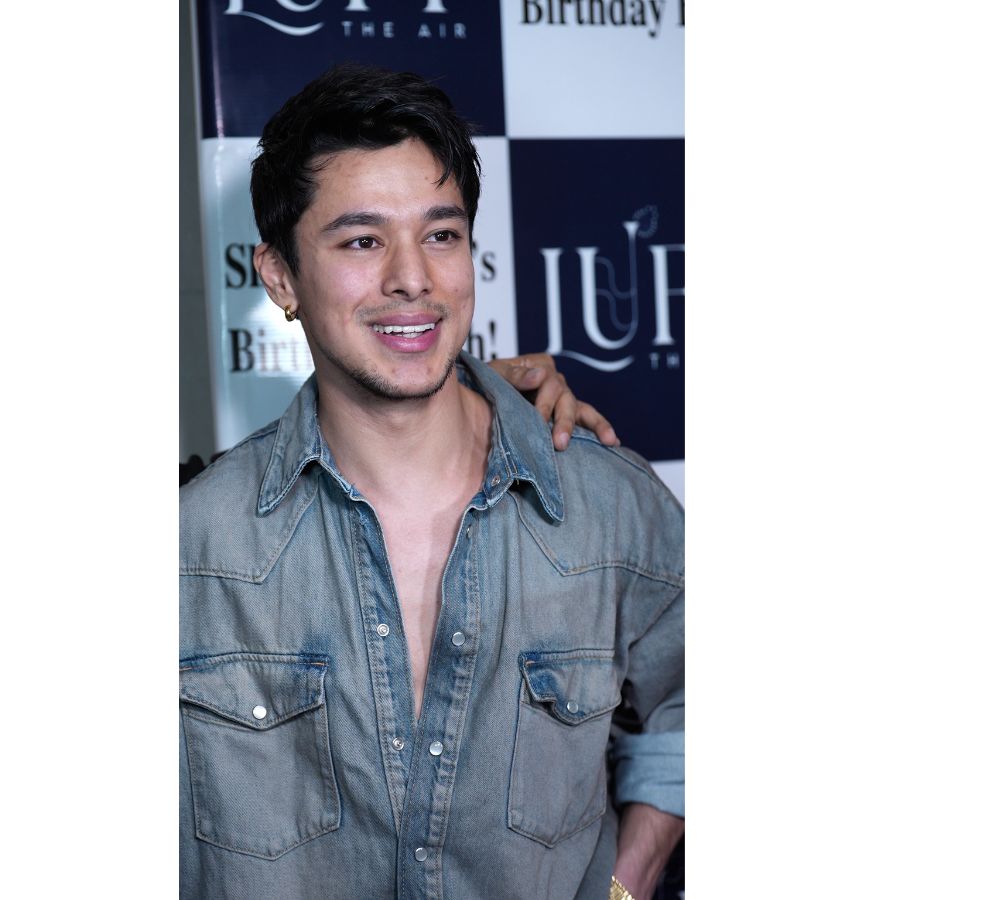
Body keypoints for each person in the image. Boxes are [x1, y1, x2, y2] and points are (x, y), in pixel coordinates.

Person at [180, 63, 684, 900]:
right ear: (279, 278)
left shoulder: (608, 508)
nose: (412, 277)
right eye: (362, 241)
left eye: (441, 234)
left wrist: (626, 881)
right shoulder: (194, 549)